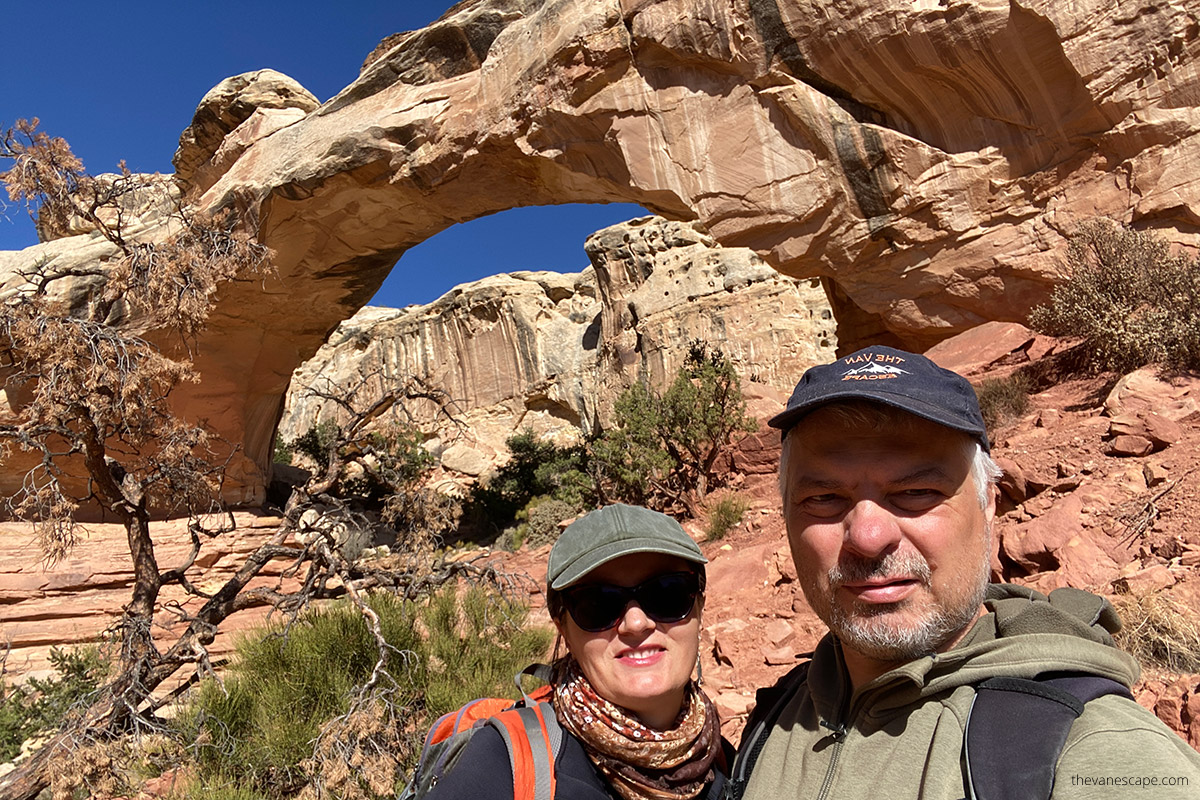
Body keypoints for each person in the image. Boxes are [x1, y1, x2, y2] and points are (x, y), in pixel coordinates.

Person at [731, 344, 1200, 800]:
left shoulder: (1085, 747)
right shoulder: (777, 719)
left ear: (989, 503)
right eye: (824, 499)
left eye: (916, 491)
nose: (869, 536)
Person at [426, 503, 730, 800]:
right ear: (564, 630)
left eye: (667, 593)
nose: (636, 623)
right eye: (598, 604)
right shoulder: (501, 767)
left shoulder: (716, 753)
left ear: (699, 608)